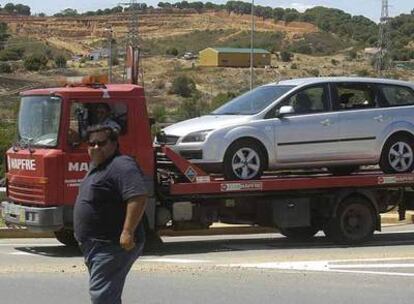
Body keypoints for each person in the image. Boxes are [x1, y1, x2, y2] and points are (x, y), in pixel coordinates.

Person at [74, 124, 147, 304]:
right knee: (106, 294)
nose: (96, 147)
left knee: (102, 297)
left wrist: (128, 231)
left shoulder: (121, 164)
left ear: (114, 143)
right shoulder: (98, 166)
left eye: (101, 143)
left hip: (111, 245)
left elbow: (137, 196)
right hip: (96, 245)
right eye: (92, 144)